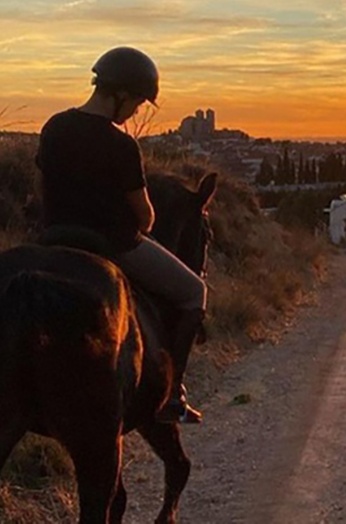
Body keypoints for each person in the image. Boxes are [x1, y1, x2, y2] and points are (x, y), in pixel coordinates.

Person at [36, 46, 205, 424]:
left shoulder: (54, 127)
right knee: (195, 292)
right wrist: (144, 225)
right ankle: (172, 395)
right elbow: (144, 215)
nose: (136, 112)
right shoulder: (121, 145)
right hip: (112, 244)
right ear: (121, 96)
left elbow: (43, 184)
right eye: (139, 103)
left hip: (53, 239)